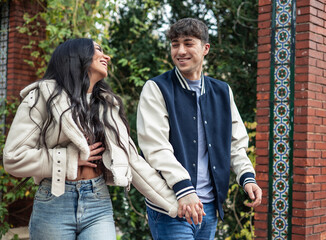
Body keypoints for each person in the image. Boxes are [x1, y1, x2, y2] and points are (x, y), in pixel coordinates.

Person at [3, 38, 180, 240]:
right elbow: (13, 157)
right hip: (54, 200)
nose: (106, 56)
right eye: (98, 50)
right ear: (77, 55)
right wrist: (69, 159)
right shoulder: (41, 97)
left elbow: (133, 161)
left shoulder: (107, 105)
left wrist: (176, 203)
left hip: (98, 201)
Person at [136, 18, 262, 239]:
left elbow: (234, 143)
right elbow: (155, 147)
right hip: (171, 206)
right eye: (175, 44)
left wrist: (247, 176)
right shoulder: (156, 88)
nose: (180, 51)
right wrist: (184, 190)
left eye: (188, 43)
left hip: (208, 210)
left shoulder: (223, 91)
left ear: (205, 48)